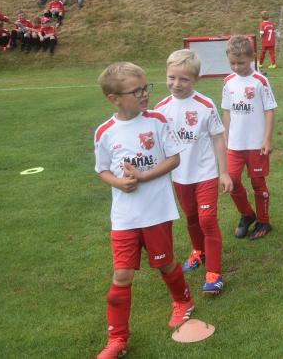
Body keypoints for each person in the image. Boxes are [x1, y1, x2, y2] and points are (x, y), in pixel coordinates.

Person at [92, 62, 194, 359]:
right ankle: (117, 340)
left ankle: (183, 301)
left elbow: (173, 158)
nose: (144, 94)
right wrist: (119, 183)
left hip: (156, 211)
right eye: (136, 91)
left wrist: (144, 177)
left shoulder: (157, 121)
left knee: (164, 264)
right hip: (124, 217)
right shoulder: (105, 132)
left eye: (145, 88)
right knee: (121, 275)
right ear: (114, 98)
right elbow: (101, 171)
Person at [154, 50, 233, 296]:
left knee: (207, 220)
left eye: (183, 79)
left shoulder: (205, 105)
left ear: (195, 80)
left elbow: (219, 138)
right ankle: (198, 250)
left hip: (206, 173)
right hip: (180, 175)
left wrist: (224, 172)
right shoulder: (161, 108)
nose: (176, 84)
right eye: (171, 78)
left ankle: (214, 273)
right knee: (190, 217)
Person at [220, 36, 277, 240]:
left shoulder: (260, 81)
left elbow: (269, 110)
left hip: (256, 144)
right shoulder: (228, 82)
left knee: (257, 183)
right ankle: (247, 214)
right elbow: (227, 111)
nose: (236, 67)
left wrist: (267, 139)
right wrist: (225, 138)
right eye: (232, 63)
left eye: (241, 63)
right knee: (232, 181)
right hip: (235, 145)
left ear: (252, 57)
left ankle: (263, 221)